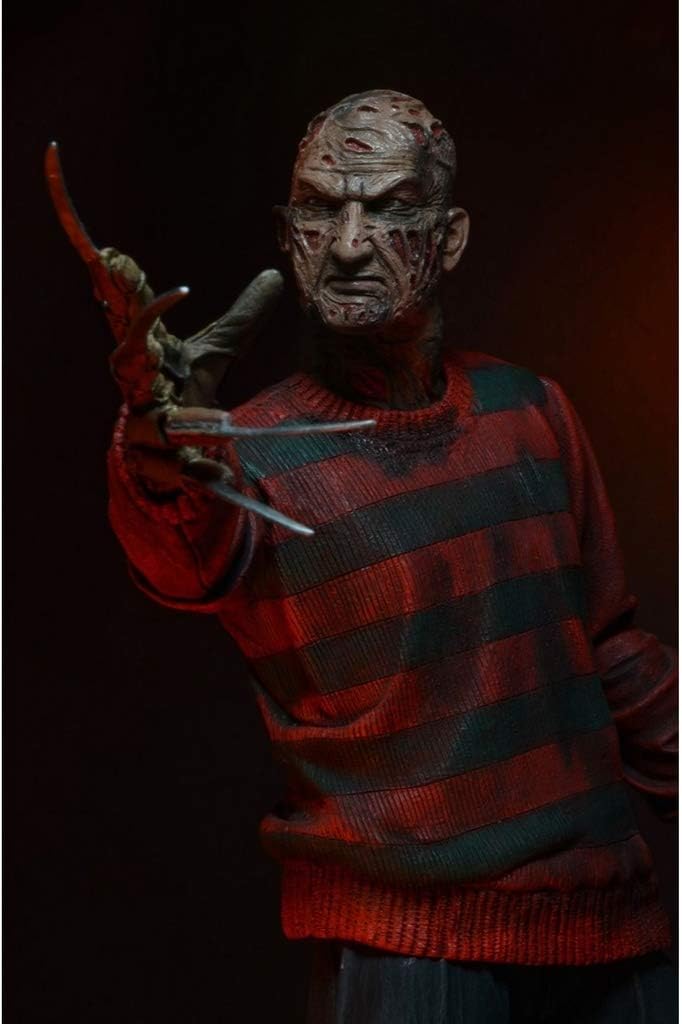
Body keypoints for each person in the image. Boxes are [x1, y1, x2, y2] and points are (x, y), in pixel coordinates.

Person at [48, 90, 677, 1022]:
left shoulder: (532, 411)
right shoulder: (247, 454)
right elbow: (182, 553)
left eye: (388, 210)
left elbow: (608, 648)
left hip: (613, 932)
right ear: (286, 232)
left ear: (449, 238)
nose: (346, 245)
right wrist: (158, 452)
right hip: (406, 954)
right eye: (319, 209)